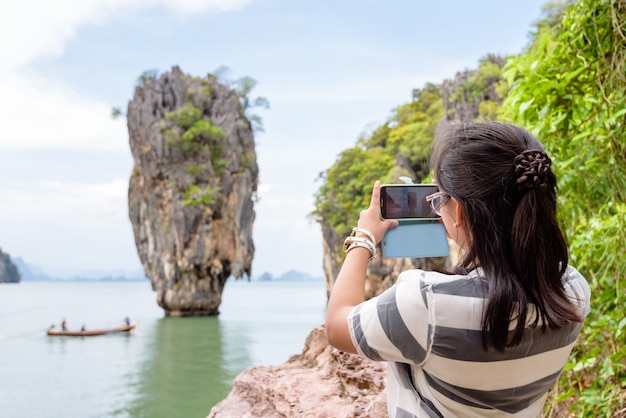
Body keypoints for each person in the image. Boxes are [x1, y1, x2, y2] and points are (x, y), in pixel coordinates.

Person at [325, 121, 591, 417]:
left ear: (460, 212)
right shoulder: (573, 290)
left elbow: (337, 326)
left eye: (440, 200)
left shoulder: (426, 303)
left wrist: (364, 238)